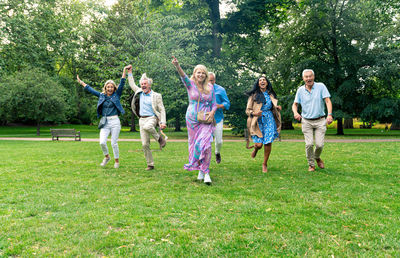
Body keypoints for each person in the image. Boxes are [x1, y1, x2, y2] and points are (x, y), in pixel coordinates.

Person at [172, 56, 217, 185]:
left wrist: (212, 112)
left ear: (206, 75)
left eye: (203, 73)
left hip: (206, 119)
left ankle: (206, 172)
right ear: (195, 74)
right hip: (192, 119)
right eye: (199, 72)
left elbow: (214, 103)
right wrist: (177, 66)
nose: (201, 75)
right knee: (195, 144)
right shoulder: (190, 84)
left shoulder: (210, 87)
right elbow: (183, 76)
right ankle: (200, 170)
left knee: (206, 144)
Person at [77, 66, 129, 168]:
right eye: (108, 87)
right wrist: (81, 82)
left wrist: (124, 70)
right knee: (102, 142)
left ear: (114, 88)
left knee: (114, 143)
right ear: (105, 88)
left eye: (111, 87)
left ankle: (117, 161)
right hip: (105, 122)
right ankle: (107, 157)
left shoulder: (116, 95)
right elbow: (91, 90)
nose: (109, 88)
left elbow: (122, 82)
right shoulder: (102, 95)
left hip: (115, 121)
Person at [292, 69, 333, 172]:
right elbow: (295, 104)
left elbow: (327, 101)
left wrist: (330, 115)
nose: (308, 78)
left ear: (313, 77)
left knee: (319, 144)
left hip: (320, 120)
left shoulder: (321, 86)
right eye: (306, 77)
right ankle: (311, 164)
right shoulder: (300, 90)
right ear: (303, 78)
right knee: (309, 144)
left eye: (310, 76)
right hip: (306, 121)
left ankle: (317, 157)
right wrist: (295, 113)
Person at [127, 66, 167, 171]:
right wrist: (130, 72)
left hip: (152, 118)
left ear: (149, 85)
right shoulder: (139, 92)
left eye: (145, 84)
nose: (143, 85)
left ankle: (159, 138)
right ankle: (150, 164)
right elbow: (131, 84)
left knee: (148, 126)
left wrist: (163, 122)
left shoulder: (156, 95)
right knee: (145, 144)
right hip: (142, 119)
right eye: (142, 84)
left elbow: (162, 109)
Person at [245, 76, 281, 173]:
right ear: (258, 83)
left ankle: (264, 163)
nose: (262, 81)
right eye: (260, 80)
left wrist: (277, 108)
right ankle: (256, 149)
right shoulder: (254, 95)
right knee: (259, 144)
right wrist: (254, 113)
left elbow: (272, 107)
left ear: (267, 83)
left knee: (268, 142)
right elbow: (247, 111)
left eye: (264, 80)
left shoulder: (271, 94)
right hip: (257, 120)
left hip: (269, 119)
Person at [208, 72, 230, 164]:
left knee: (219, 141)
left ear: (215, 80)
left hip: (217, 119)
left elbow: (227, 104)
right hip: (205, 119)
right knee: (206, 141)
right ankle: (206, 159)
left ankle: (217, 152)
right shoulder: (201, 89)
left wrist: (219, 106)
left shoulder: (221, 90)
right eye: (208, 80)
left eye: (211, 80)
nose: (209, 82)